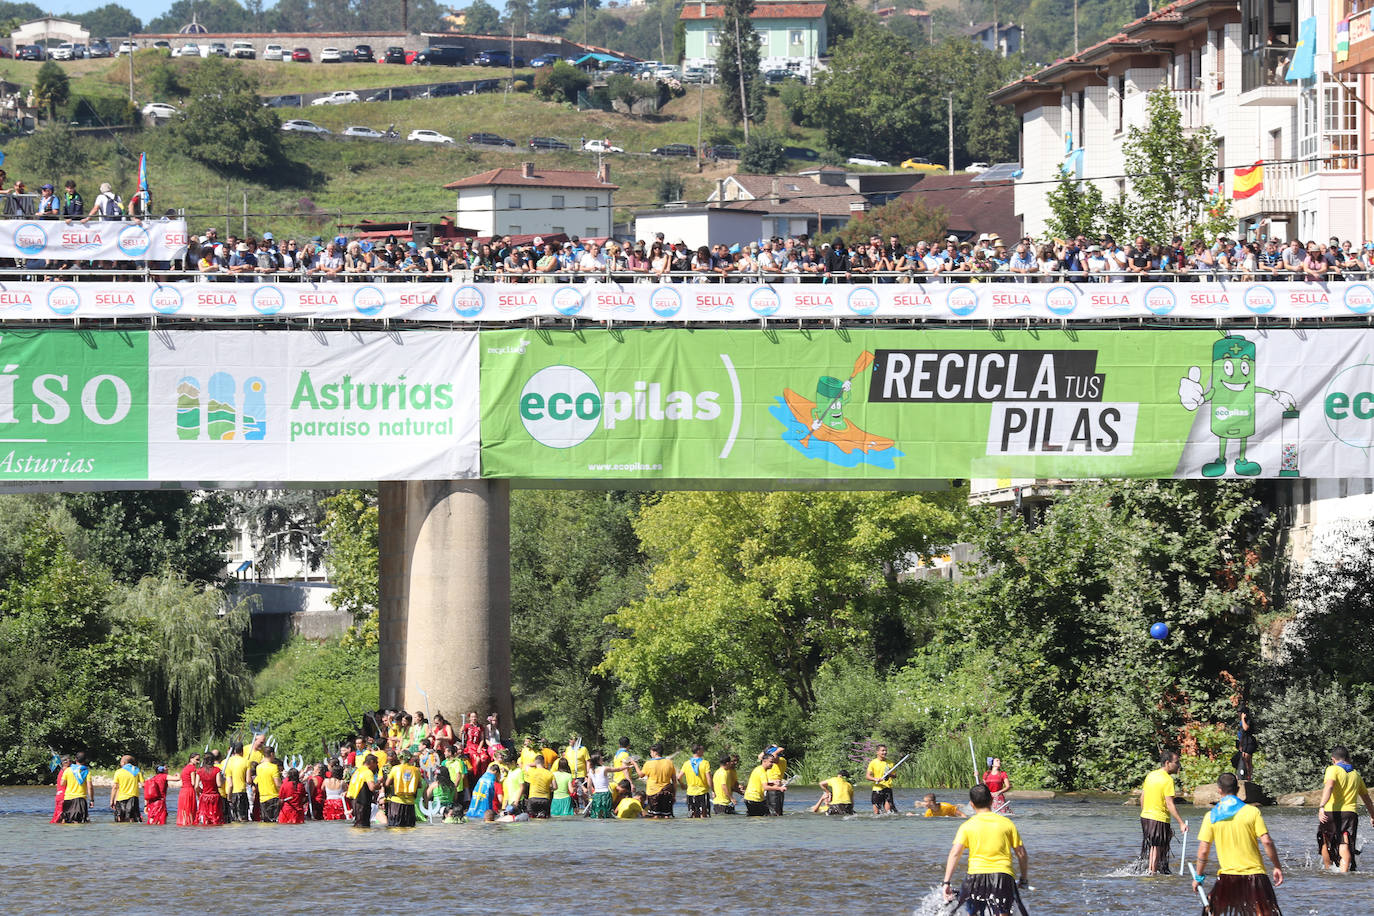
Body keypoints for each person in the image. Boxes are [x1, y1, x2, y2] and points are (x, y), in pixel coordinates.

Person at [1194, 772, 1284, 915]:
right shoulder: (1252, 812)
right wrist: (1277, 866)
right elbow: (1266, 841)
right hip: (1256, 875)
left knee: (1211, 911)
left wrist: (1198, 876)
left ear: (1219, 790)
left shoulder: (1211, 816)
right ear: (1238, 789)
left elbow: (1203, 851)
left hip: (1228, 876)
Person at [942, 784, 1030, 916]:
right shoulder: (1007, 823)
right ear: (991, 800)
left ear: (972, 804)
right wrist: (1023, 878)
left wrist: (946, 882)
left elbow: (955, 853)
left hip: (975, 876)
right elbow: (1021, 854)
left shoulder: (967, 826)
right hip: (1002, 875)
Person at [1318, 745, 1374, 872]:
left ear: (1333, 759)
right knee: (1345, 843)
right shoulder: (1356, 775)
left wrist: (1321, 806)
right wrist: (1372, 816)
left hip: (1330, 812)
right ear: (1347, 758)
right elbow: (1367, 800)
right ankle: (1344, 874)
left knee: (1325, 842)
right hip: (1349, 814)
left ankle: (1328, 871)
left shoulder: (1332, 770)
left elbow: (1329, 786)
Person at [1140, 750, 1188, 874]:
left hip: (1145, 817)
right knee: (1156, 846)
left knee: (1155, 845)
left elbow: (1142, 797)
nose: (1178, 765)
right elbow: (1170, 804)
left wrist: (1145, 812)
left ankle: (1154, 871)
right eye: (1176, 763)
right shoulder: (1167, 780)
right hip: (1158, 818)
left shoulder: (1151, 775)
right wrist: (1181, 823)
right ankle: (1152, 874)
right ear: (1167, 763)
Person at [634, 744, 678, 818]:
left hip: (653, 793)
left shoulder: (648, 763)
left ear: (655, 752)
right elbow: (674, 781)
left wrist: (635, 764)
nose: (650, 754)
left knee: (655, 815)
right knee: (666, 815)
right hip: (666, 792)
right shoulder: (669, 763)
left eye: (651, 752)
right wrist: (674, 795)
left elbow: (641, 775)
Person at [385, 752, 423, 827]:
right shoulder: (416, 770)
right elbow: (419, 785)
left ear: (400, 758)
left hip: (396, 801)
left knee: (395, 827)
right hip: (410, 803)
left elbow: (387, 784)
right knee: (409, 827)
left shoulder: (395, 768)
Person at [744, 752, 784, 816]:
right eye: (771, 762)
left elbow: (761, 783)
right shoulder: (762, 771)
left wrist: (772, 783)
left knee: (766, 816)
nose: (772, 764)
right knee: (763, 818)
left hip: (753, 799)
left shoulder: (759, 769)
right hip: (754, 799)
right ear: (764, 761)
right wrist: (779, 788)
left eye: (773, 762)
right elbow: (765, 787)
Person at [347, 752, 380, 828]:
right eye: (376, 763)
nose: (376, 766)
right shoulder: (368, 772)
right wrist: (378, 786)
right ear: (372, 762)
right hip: (362, 801)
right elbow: (372, 788)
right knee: (363, 825)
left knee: (357, 823)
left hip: (354, 801)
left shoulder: (358, 771)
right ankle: (364, 839)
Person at [58, 751, 93, 823]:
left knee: (66, 820)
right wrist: (91, 800)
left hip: (68, 799)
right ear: (85, 760)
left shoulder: (68, 770)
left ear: (75, 759)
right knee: (81, 822)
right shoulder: (87, 772)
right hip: (80, 799)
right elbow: (90, 787)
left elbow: (62, 784)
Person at [680, 745, 712, 818]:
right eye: (702, 750)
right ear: (698, 751)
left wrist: (682, 785)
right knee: (704, 815)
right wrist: (713, 790)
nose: (703, 751)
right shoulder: (705, 763)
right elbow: (709, 779)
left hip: (690, 793)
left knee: (693, 815)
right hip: (702, 792)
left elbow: (679, 777)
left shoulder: (686, 763)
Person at [110, 755, 143, 822]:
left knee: (120, 818)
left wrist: (112, 800)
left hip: (120, 798)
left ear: (123, 763)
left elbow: (115, 787)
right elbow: (143, 784)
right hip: (133, 797)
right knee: (132, 818)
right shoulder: (137, 771)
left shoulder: (118, 772)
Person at [866, 744, 897, 815]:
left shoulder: (890, 763)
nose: (885, 752)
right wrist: (875, 779)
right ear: (877, 752)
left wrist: (890, 774)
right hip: (877, 789)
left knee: (888, 812)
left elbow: (895, 775)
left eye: (886, 750)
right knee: (877, 812)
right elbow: (867, 776)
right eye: (883, 751)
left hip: (887, 788)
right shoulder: (873, 763)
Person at [223, 742, 250, 822]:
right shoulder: (246, 761)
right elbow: (248, 780)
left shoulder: (225, 762)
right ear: (242, 751)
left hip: (228, 793)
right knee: (243, 818)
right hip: (241, 792)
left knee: (231, 819)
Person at [522, 754, 555, 819]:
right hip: (545, 799)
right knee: (545, 819)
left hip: (533, 799)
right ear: (543, 762)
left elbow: (527, 765)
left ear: (535, 762)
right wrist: (549, 788)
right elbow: (555, 787)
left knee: (532, 819)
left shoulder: (532, 771)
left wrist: (535, 764)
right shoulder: (550, 773)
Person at [195, 753, 224, 825]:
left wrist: (200, 793)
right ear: (213, 760)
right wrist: (223, 779)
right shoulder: (217, 770)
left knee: (205, 818)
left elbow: (196, 786)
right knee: (215, 818)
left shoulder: (199, 771)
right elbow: (219, 785)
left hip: (204, 797)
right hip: (215, 797)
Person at [255, 749, 282, 822]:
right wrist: (282, 794)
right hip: (273, 797)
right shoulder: (274, 767)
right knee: (274, 822)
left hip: (262, 798)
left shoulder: (258, 767)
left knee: (265, 822)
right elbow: (278, 784)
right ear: (272, 754)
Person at [175, 753, 200, 826]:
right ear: (191, 759)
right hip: (189, 791)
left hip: (183, 791)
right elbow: (193, 783)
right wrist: (201, 791)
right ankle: (190, 827)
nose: (198, 762)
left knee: (184, 812)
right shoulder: (192, 768)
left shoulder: (185, 768)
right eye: (197, 759)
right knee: (190, 811)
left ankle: (184, 828)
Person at [1237, 705, 1258, 781]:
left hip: (1249, 743)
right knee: (1244, 760)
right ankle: (1246, 776)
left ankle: (1248, 777)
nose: (1238, 714)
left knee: (1247, 760)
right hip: (1244, 743)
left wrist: (1243, 719)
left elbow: (1245, 728)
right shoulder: (1241, 722)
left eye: (1240, 713)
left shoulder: (1247, 720)